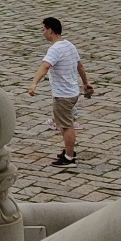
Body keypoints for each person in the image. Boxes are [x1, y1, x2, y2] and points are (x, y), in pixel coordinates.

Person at [29, 15, 94, 169]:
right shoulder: (69, 45)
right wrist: (85, 83)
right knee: (64, 123)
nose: (43, 32)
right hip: (72, 92)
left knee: (66, 126)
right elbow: (80, 66)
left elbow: (45, 67)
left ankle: (69, 157)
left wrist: (34, 84)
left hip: (63, 94)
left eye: (44, 29)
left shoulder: (55, 50)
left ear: (50, 30)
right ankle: (69, 150)